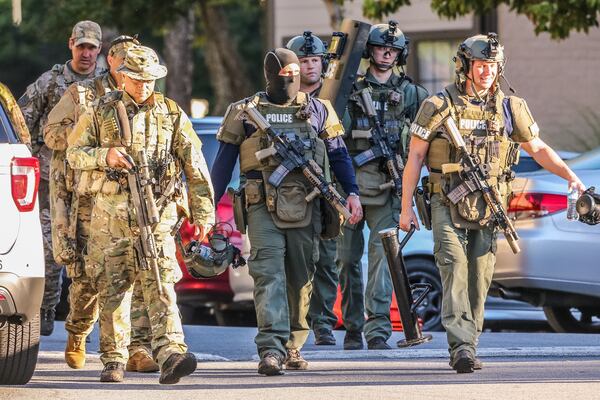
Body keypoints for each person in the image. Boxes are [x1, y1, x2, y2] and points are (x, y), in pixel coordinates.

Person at [398, 33, 585, 373]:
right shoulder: (439, 106)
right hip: (446, 201)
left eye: (493, 66)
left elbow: (538, 148)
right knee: (453, 266)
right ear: (465, 66)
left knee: (480, 277)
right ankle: (461, 348)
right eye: (481, 65)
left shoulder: (509, 108)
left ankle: (469, 341)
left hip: (488, 206)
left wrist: (572, 177)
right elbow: (415, 156)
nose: (487, 72)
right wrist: (406, 207)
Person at [67, 46, 215, 384]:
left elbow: (195, 165)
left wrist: (203, 211)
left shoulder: (171, 113)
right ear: (123, 77)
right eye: (137, 80)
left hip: (157, 217)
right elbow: (74, 154)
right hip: (112, 219)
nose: (144, 86)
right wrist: (107, 155)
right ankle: (114, 358)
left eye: (150, 80)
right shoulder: (100, 111)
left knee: (162, 285)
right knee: (114, 290)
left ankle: (171, 353)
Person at [211, 48, 362, 375]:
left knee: (300, 276)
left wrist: (352, 193)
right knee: (268, 275)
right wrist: (208, 206)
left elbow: (338, 157)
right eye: (285, 75)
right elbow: (222, 164)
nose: (292, 80)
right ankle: (271, 348)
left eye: (295, 74)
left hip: (307, 203)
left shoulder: (319, 110)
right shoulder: (244, 112)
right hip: (261, 204)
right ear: (270, 75)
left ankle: (293, 343)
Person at [44, 35, 158, 373]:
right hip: (86, 195)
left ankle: (136, 348)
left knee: (139, 269)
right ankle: (78, 331)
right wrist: (89, 134)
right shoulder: (83, 94)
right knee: (88, 277)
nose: (131, 73)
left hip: (130, 198)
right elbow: (52, 134)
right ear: (111, 62)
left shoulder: (146, 98)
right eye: (123, 62)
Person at [338, 21, 428, 350]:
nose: (386, 53)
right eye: (380, 47)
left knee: (382, 263)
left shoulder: (413, 94)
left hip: (390, 188)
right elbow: (334, 136)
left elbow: (423, 144)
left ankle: (377, 331)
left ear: (400, 54)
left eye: (392, 49)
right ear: (369, 51)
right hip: (352, 188)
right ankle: (351, 325)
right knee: (346, 260)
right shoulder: (350, 90)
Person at [18, 20, 106, 336]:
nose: (86, 53)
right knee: (51, 248)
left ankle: (85, 321)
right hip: (50, 179)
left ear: (99, 49)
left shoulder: (108, 85)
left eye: (91, 47)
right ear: (71, 44)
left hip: (93, 182)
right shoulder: (50, 82)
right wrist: (31, 159)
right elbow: (22, 125)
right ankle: (45, 308)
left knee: (91, 252)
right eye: (81, 46)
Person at [286, 31, 339, 346]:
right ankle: (297, 325)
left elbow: (341, 152)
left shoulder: (333, 99)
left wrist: (351, 192)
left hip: (328, 192)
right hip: (291, 195)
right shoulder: (277, 100)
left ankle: (323, 323)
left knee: (328, 261)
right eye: (304, 61)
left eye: (315, 60)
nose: (310, 67)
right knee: (297, 263)